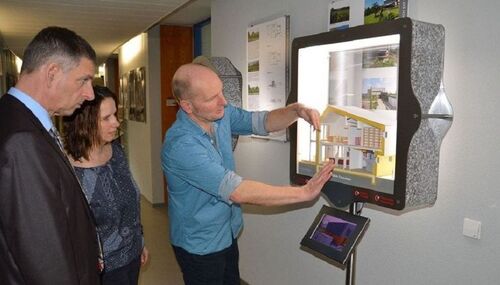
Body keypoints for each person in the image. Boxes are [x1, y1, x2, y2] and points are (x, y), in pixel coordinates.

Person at [161, 61, 335, 285]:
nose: (223, 101)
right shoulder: (181, 146)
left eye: (221, 92)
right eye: (212, 97)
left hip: (226, 232)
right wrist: (304, 193)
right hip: (199, 245)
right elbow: (237, 191)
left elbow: (262, 122)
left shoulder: (220, 115)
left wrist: (296, 111)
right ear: (187, 106)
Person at [0, 26, 101, 284]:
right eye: (84, 80)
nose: (90, 94)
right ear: (52, 73)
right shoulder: (23, 141)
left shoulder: (16, 119)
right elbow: (44, 255)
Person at [63, 86, 149, 285]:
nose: (116, 123)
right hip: (103, 270)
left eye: (115, 115)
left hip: (132, 256)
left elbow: (130, 202)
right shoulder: (69, 171)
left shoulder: (116, 152)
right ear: (85, 123)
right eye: (106, 118)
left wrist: (140, 241)